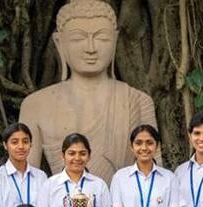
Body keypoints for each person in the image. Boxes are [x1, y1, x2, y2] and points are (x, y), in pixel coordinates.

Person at [19, 0, 157, 183]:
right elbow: (26, 179)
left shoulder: (138, 101)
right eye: (78, 38)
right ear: (59, 42)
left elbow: (156, 177)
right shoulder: (35, 105)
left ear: (115, 40)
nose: (91, 48)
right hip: (60, 206)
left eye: (102, 38)